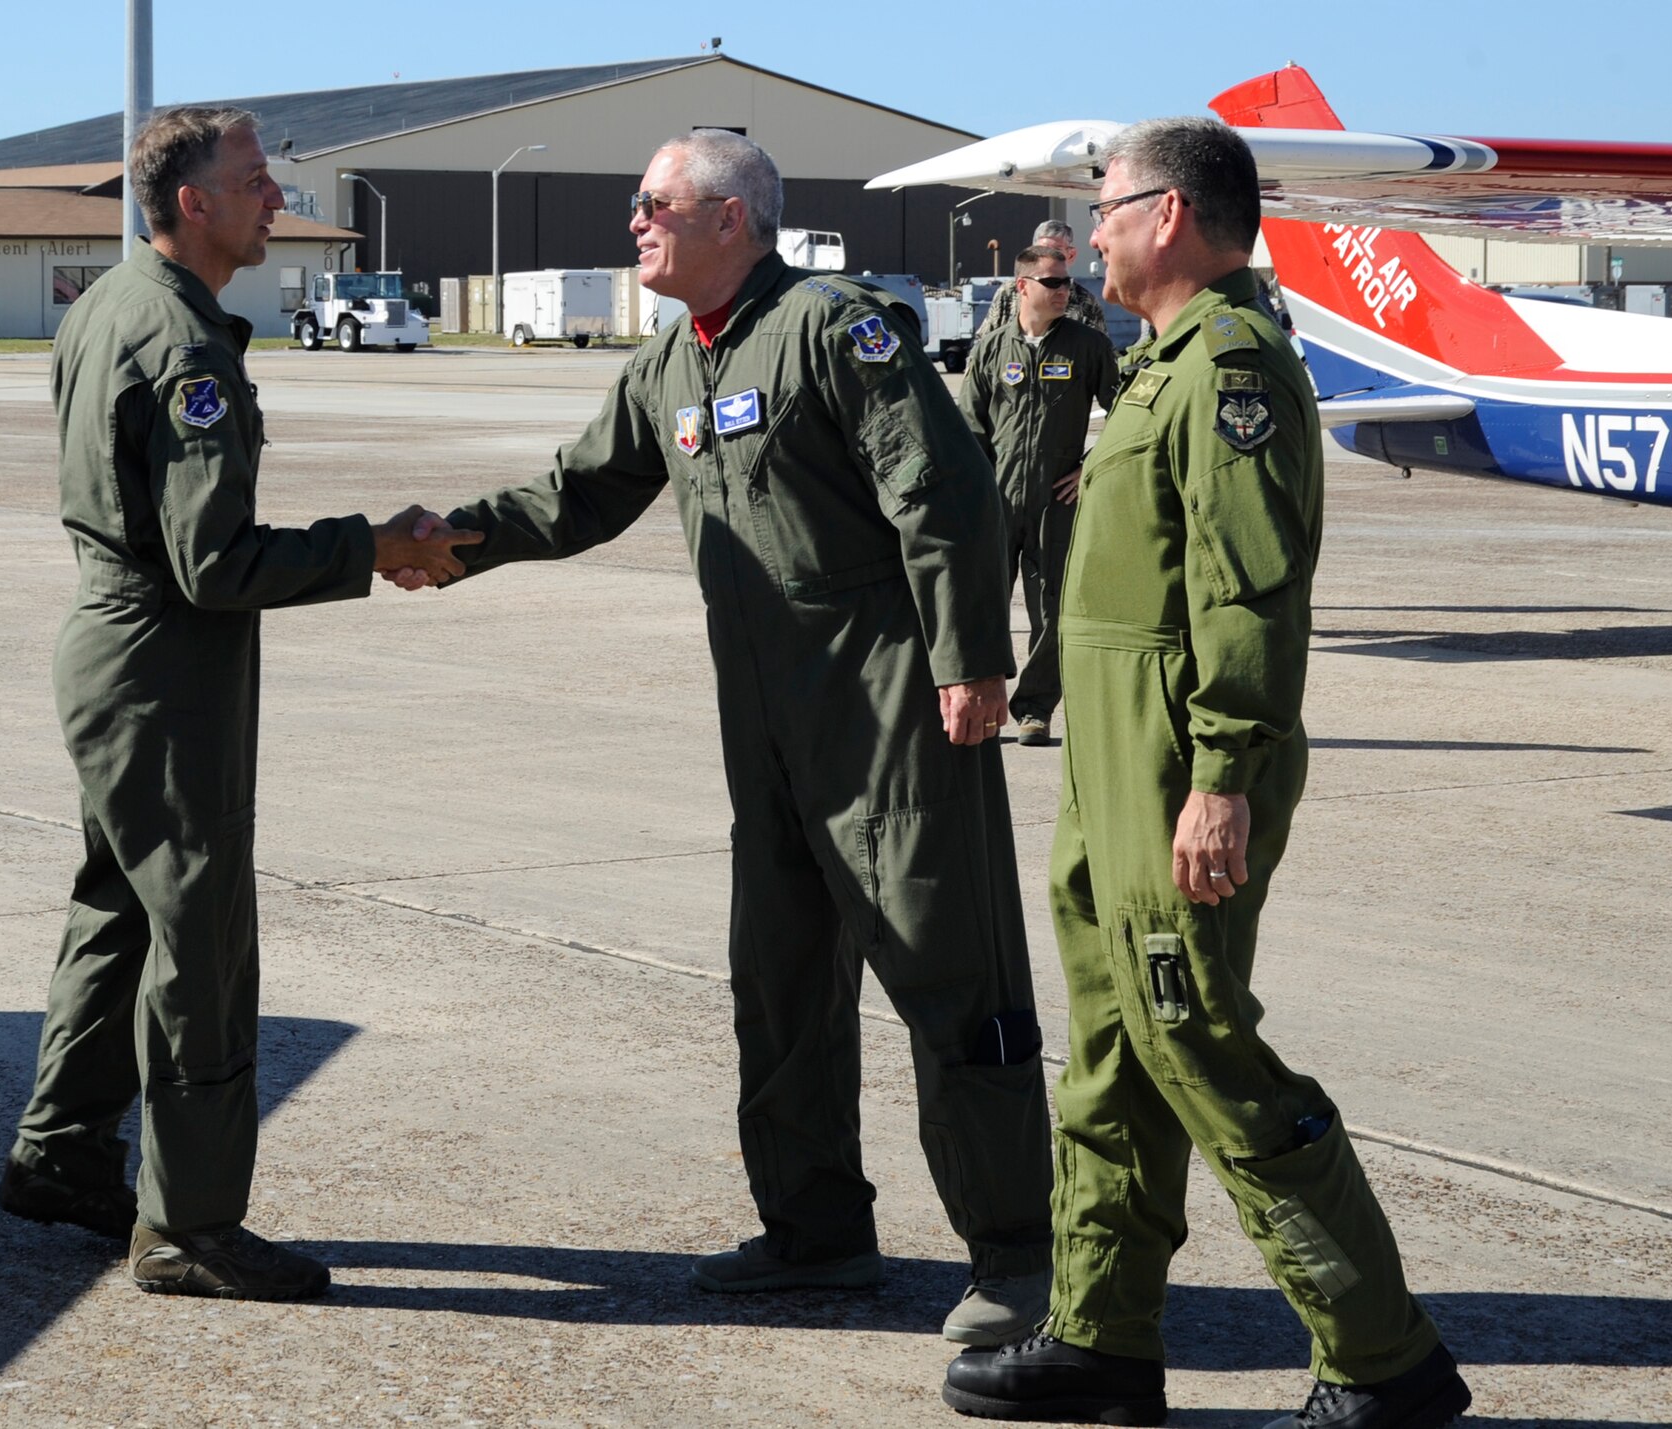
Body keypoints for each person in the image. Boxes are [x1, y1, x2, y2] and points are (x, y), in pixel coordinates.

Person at [394, 129, 1055, 1348]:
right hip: (766, 728)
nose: (633, 223)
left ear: (731, 220)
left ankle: (1018, 1256)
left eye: (653, 204)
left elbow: (941, 489)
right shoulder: (671, 361)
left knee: (947, 975)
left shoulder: (831, 327)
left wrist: (970, 658)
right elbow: (577, 493)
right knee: (781, 982)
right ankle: (816, 1232)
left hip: (888, 710)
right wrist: (444, 542)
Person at [942, 118, 1472, 1428]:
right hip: (1114, 779)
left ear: (1171, 214)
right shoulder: (1161, 367)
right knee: (1115, 1060)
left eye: (1108, 205)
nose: (1094, 231)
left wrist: (1223, 776)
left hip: (1183, 770)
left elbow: (1248, 595)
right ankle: (1104, 1338)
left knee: (1199, 1040)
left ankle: (1381, 1352)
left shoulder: (1233, 368)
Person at [0, 105, 479, 1301]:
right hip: (166, 663)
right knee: (199, 936)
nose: (275, 199)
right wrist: (369, 546)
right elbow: (213, 562)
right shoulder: (186, 347)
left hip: (116, 648)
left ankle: (60, 1151)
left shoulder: (113, 301)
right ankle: (191, 1222)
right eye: (254, 182)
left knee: (121, 904)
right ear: (192, 203)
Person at [956, 245, 1119, 748]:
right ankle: (981, 703)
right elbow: (968, 428)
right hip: (998, 502)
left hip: (1057, 505)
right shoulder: (990, 350)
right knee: (982, 607)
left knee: (1051, 611)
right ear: (1022, 286)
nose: (1064, 291)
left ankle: (1034, 709)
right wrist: (973, 493)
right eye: (1052, 283)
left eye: (1067, 283)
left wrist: (1090, 469)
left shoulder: (1089, 347)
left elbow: (1128, 415)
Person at [977, 220, 1108, 338]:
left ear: (1071, 255)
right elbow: (982, 344)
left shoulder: (1085, 302)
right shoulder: (1009, 292)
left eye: (1056, 251)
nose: (1048, 258)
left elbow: (1102, 353)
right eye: (1042, 250)